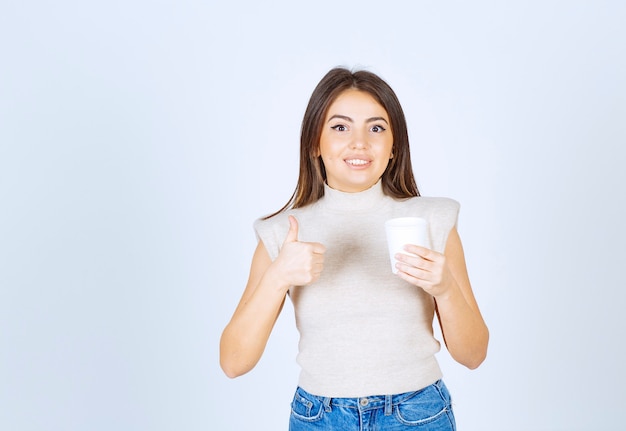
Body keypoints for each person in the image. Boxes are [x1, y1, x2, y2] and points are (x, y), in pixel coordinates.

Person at [220, 67, 489, 430]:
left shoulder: (433, 220)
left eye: (376, 128)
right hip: (320, 417)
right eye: (340, 127)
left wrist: (444, 288)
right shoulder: (283, 233)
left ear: (394, 146)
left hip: (417, 414)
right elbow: (233, 362)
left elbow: (473, 355)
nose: (360, 143)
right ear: (315, 143)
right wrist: (278, 277)